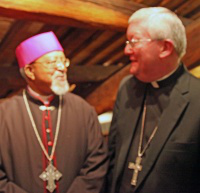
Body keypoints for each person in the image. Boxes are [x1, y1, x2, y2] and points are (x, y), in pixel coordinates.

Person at [106, 7, 200, 193]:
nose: (126, 50)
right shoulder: (127, 88)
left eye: (134, 41)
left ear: (165, 48)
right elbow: (113, 155)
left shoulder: (197, 97)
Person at [0, 31, 108, 193]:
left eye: (63, 60)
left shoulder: (83, 110)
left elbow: (96, 164)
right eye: (52, 62)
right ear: (30, 71)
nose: (61, 67)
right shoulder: (4, 114)